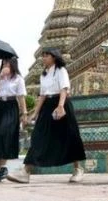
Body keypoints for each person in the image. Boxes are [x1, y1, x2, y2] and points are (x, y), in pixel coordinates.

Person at [6, 48, 86, 184]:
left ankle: (78, 169)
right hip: (47, 105)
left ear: (54, 57)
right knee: (38, 136)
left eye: (46, 55)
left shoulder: (61, 70)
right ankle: (25, 172)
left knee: (69, 136)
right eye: (42, 56)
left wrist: (60, 106)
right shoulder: (43, 75)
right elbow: (42, 95)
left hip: (61, 104)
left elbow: (64, 89)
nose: (43, 58)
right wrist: (35, 113)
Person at [0, 56, 27, 183]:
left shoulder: (18, 79)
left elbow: (21, 97)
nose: (5, 64)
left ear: (13, 64)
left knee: (3, 134)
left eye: (7, 62)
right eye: (3, 62)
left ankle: (2, 167)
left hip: (11, 106)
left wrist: (24, 113)